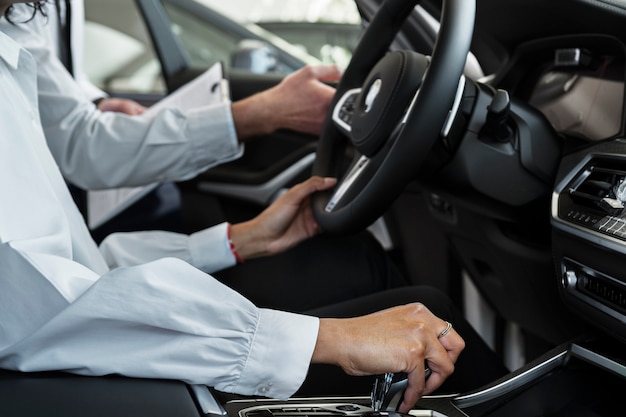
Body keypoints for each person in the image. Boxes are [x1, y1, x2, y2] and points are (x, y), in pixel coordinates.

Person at [0, 2, 511, 412]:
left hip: (87, 339)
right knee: (434, 321)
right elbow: (37, 306)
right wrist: (326, 341)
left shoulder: (17, 27)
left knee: (356, 262)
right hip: (83, 376)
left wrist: (237, 241)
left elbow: (66, 265)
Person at [0, 0, 412, 312]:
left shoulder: (19, 46)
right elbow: (57, 308)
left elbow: (82, 269)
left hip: (102, 308)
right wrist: (320, 343)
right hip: (101, 348)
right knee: (404, 294)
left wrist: (239, 240)